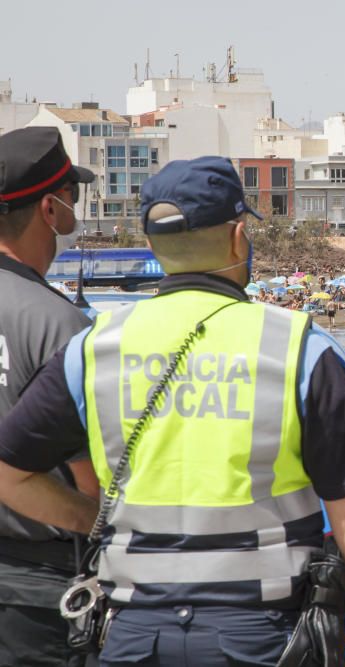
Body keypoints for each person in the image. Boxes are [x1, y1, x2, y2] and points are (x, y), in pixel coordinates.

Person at [0, 156, 345, 666]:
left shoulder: (95, 348)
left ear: (155, 248)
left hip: (136, 636)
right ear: (236, 237)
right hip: (262, 634)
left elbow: (9, 474)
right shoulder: (295, 348)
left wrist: (94, 520)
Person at [0, 127, 98, 666]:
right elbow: (92, 479)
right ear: (50, 208)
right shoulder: (59, 323)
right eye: (72, 196)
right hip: (40, 590)